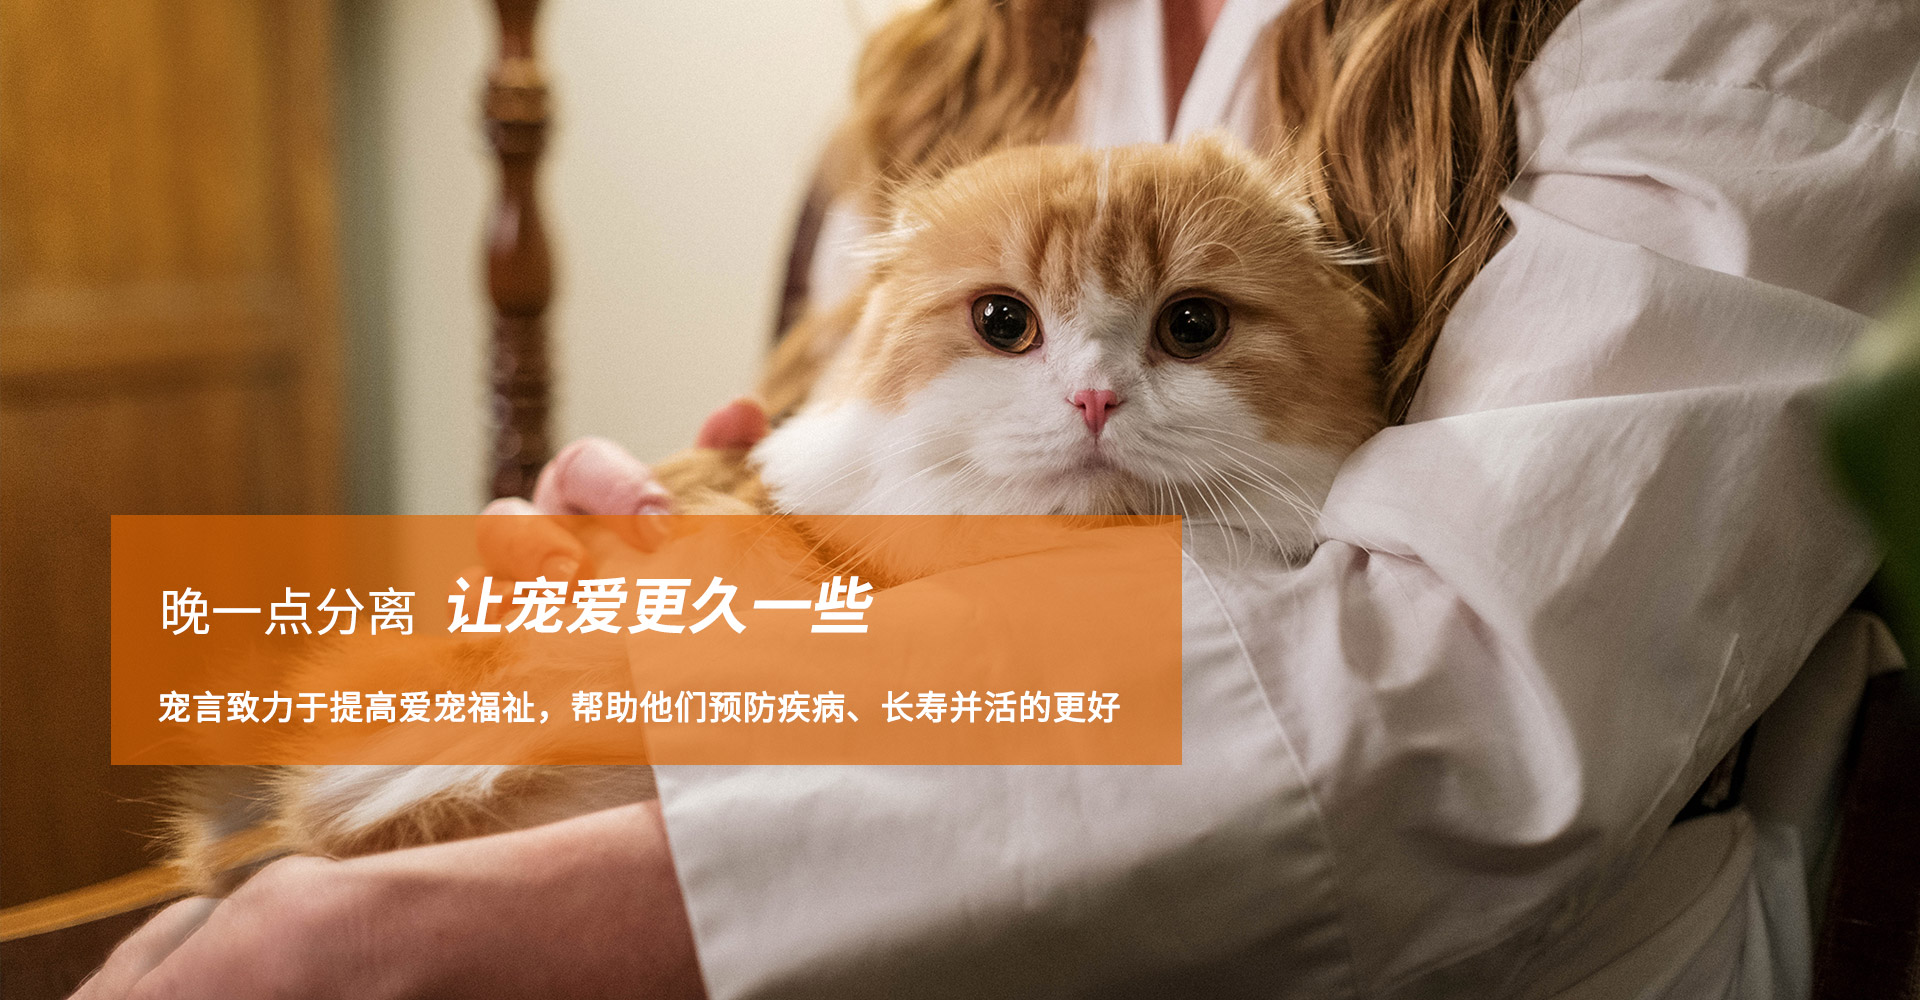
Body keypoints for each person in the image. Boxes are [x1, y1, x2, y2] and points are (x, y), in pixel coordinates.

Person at [79, 0, 1920, 996]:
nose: (1093, 387)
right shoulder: (956, 58)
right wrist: (667, 544)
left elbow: (1467, 711)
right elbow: (838, 470)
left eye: (1188, 324)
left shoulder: (1736, 23)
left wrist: (455, 918)